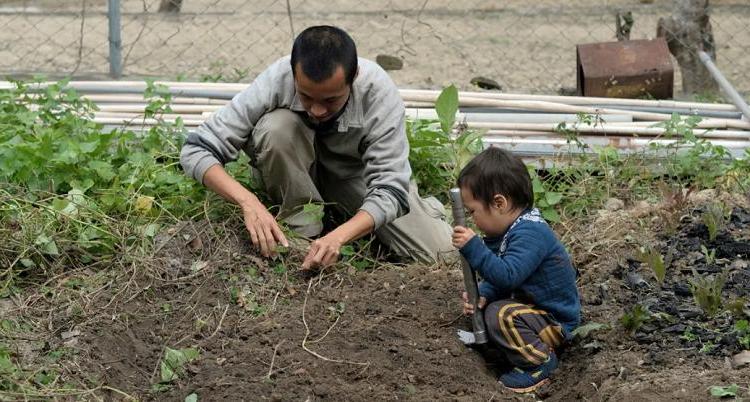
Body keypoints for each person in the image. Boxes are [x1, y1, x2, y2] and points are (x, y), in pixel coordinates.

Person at [180, 25, 452, 270]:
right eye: (306, 96)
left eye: (331, 100)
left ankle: (358, 218)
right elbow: (196, 149)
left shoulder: (377, 92)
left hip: (351, 178)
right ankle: (301, 230)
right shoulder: (278, 77)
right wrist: (249, 202)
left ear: (353, 76)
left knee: (442, 253)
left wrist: (338, 237)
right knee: (277, 127)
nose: (318, 109)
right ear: (294, 73)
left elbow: (390, 189)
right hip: (292, 172)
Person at [451, 147, 580, 393]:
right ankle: (512, 350)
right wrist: (484, 293)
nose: (472, 220)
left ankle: (538, 363)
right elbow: (500, 279)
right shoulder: (509, 231)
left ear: (499, 203)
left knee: (501, 315)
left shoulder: (530, 233)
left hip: (554, 321)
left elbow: (508, 275)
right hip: (532, 313)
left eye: (472, 212)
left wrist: (474, 248)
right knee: (493, 307)